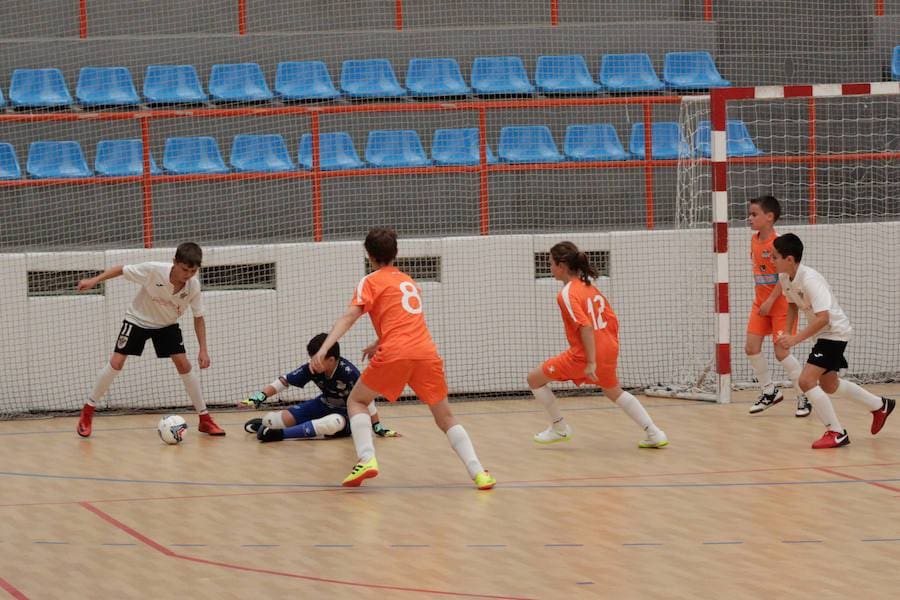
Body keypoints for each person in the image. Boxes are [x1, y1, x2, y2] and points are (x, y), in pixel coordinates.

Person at [310, 227, 495, 490]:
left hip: (397, 352)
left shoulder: (370, 281)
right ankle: (479, 473)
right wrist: (378, 341)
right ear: (396, 253)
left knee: (358, 400)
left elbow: (349, 317)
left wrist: (324, 348)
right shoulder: (409, 281)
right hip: (425, 352)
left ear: (369, 255)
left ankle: (366, 459)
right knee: (446, 418)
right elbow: (403, 321)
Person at [74, 242, 225, 437]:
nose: (188, 275)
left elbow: (198, 318)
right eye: (184, 269)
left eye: (193, 271)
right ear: (174, 263)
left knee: (184, 365)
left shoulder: (193, 286)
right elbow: (121, 269)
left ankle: (205, 419)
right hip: (137, 319)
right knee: (116, 363)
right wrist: (94, 280)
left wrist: (203, 349)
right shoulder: (154, 270)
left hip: (166, 324)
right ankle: (88, 411)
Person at [527, 242, 667, 448]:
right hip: (608, 347)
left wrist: (591, 361)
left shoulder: (566, 293)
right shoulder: (589, 286)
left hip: (585, 354)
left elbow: (585, 326)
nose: (550, 268)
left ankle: (559, 427)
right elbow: (611, 318)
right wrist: (607, 346)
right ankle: (654, 433)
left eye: (551, 264)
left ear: (562, 265)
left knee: (534, 379)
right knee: (613, 391)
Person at [773, 233, 894, 449]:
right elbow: (791, 304)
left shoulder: (810, 279)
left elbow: (824, 318)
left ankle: (836, 432)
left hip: (834, 332)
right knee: (829, 385)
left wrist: (795, 340)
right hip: (823, 334)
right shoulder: (785, 278)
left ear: (789, 259)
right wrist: (787, 333)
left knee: (806, 381)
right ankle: (879, 405)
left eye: (775, 257)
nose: (771, 261)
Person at [239, 333, 399, 442]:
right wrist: (259, 396)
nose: (313, 362)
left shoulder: (349, 373)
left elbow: (366, 400)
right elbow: (285, 381)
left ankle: (280, 434)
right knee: (272, 419)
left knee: (332, 423)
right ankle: (265, 425)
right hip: (323, 404)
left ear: (331, 360)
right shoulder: (313, 368)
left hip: (347, 414)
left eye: (317, 359)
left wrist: (377, 426)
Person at [744, 195, 810, 417]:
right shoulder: (753, 239)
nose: (749, 218)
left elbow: (783, 276)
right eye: (750, 214)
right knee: (751, 348)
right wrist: (762, 301)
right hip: (760, 304)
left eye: (754, 214)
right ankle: (769, 391)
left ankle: (804, 395)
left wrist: (771, 300)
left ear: (769, 217)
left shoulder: (778, 242)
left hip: (779, 304)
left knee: (782, 352)